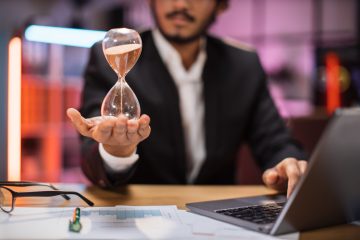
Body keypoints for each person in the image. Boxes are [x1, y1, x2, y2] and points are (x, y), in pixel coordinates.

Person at [67, 0, 307, 197]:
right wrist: (115, 151)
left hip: (219, 215)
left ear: (221, 5)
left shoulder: (243, 65)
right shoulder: (110, 56)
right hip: (140, 209)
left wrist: (287, 163)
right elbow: (91, 152)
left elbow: (274, 138)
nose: (180, 4)